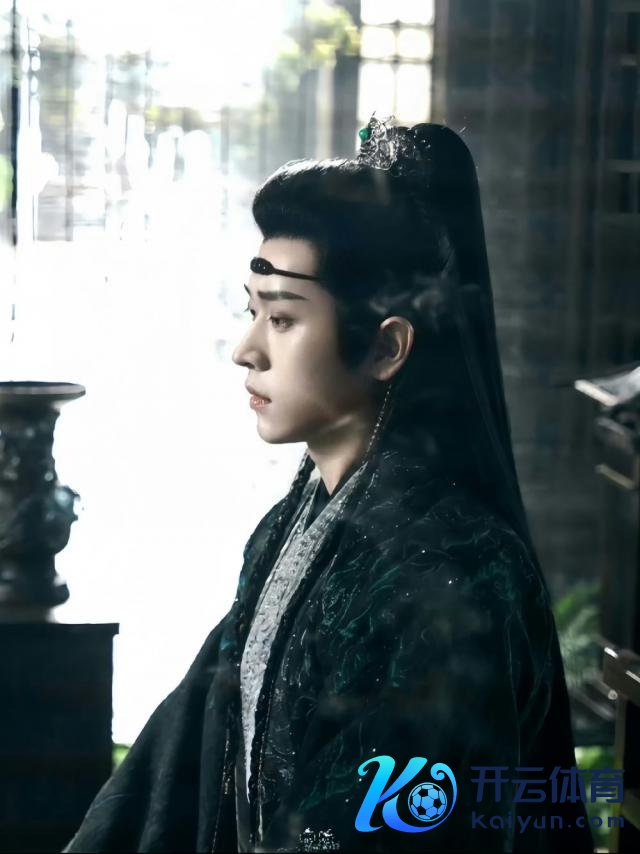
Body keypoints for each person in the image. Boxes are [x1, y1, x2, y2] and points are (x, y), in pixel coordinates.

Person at [62, 117, 595, 853]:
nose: (246, 350)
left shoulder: (453, 578)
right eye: (253, 311)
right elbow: (188, 750)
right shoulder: (293, 523)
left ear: (386, 346)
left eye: (282, 318)